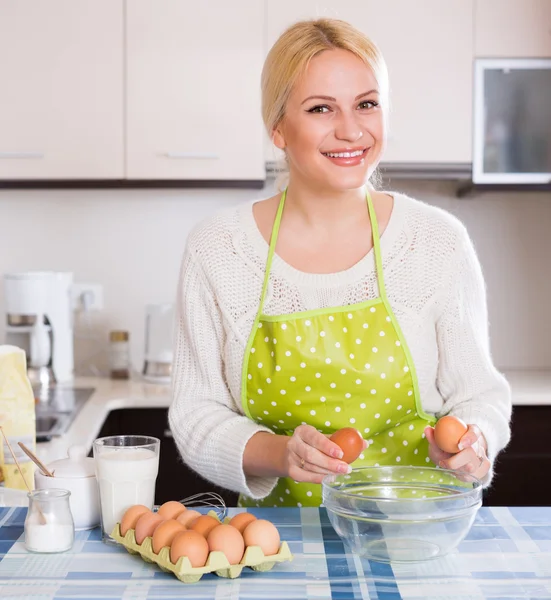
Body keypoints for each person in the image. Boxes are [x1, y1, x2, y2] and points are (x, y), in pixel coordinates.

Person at [168, 18, 512, 507]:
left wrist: (474, 442)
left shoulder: (435, 242)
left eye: (366, 104)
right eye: (320, 108)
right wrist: (281, 452)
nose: (351, 130)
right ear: (278, 128)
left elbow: (481, 395)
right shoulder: (218, 250)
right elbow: (196, 415)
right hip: (278, 544)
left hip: (414, 531)